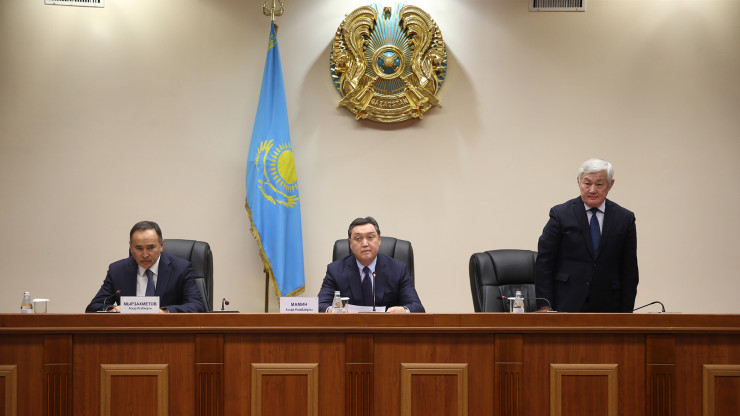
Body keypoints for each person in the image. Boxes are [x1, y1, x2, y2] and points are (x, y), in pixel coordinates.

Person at [535, 158, 638, 313]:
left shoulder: (624, 218)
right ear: (579, 182)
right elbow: (544, 263)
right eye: (587, 183)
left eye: (599, 184)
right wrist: (544, 306)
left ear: (610, 184)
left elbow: (629, 270)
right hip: (566, 302)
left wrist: (626, 312)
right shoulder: (560, 214)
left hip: (609, 305)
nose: (592, 190)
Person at [85, 221, 206, 313]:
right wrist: (112, 310)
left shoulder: (181, 268)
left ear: (161, 245)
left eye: (150, 248)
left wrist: (164, 312)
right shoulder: (117, 270)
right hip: (130, 334)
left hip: (167, 333)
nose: (144, 254)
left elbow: (197, 306)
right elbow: (93, 307)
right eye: (139, 248)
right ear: (130, 246)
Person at [318, 217, 425, 313]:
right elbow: (320, 305)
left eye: (370, 237)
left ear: (379, 240)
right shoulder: (335, 270)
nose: (365, 244)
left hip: (386, 327)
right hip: (350, 327)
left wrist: (403, 311)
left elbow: (417, 307)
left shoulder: (398, 270)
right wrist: (332, 310)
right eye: (358, 238)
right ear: (350, 243)